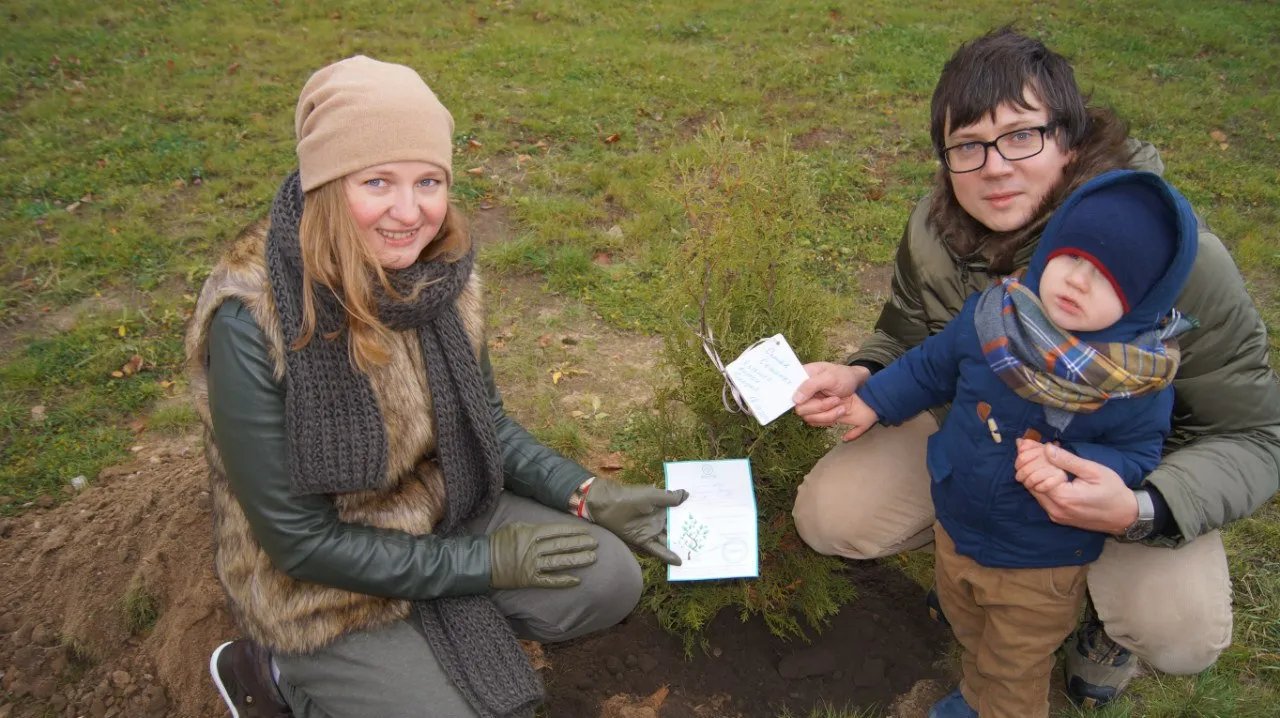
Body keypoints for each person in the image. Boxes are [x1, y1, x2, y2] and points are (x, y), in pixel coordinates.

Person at [185, 55, 687, 718]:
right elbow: (299, 543)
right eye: (377, 181)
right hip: (316, 583)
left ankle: (420, 648)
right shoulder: (253, 319)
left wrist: (587, 493)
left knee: (608, 581)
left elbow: (489, 427)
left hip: (444, 510)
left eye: (429, 180)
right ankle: (279, 675)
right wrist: (485, 567)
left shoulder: (439, 278)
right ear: (327, 184)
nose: (409, 211)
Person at [791, 27, 1280, 707]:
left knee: (1181, 633)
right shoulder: (938, 232)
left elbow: (1256, 437)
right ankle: (970, 563)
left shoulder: (1175, 264)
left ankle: (1100, 627)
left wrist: (1142, 504)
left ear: (1071, 140)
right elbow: (910, 339)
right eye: (968, 145)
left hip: (1128, 473)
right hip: (986, 450)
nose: (993, 167)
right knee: (832, 516)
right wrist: (864, 376)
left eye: (1021, 135)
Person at [836, 170, 1198, 717]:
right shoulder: (992, 318)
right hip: (957, 522)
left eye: (1107, 279)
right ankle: (977, 691)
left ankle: (998, 704)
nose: (1077, 281)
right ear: (1049, 248)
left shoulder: (1132, 385)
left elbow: (1139, 456)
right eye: (1071, 258)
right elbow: (930, 368)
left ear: (1144, 300)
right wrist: (873, 398)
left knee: (1015, 664)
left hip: (1041, 557)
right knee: (969, 625)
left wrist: (1076, 467)